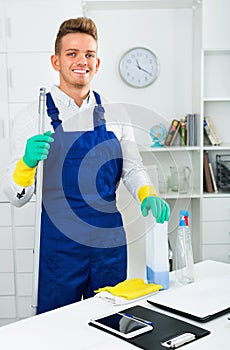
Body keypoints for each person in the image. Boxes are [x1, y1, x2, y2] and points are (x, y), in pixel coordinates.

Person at [4, 17, 170, 314]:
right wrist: (25, 165)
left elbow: (132, 167)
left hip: (109, 242)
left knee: (111, 322)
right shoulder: (34, 117)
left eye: (89, 54)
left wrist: (147, 193)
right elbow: (17, 198)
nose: (82, 61)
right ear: (56, 61)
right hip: (59, 247)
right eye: (72, 53)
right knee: (58, 328)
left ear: (97, 62)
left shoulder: (116, 113)